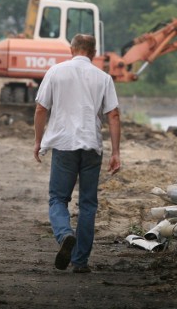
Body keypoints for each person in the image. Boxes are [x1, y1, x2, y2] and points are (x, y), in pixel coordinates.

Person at [33, 34, 121, 273]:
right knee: (88, 204)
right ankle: (80, 262)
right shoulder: (103, 78)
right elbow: (113, 115)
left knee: (58, 199)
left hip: (64, 145)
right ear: (93, 53)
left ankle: (64, 236)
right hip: (92, 146)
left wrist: (39, 141)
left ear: (72, 49)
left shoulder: (55, 72)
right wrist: (116, 152)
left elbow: (41, 108)